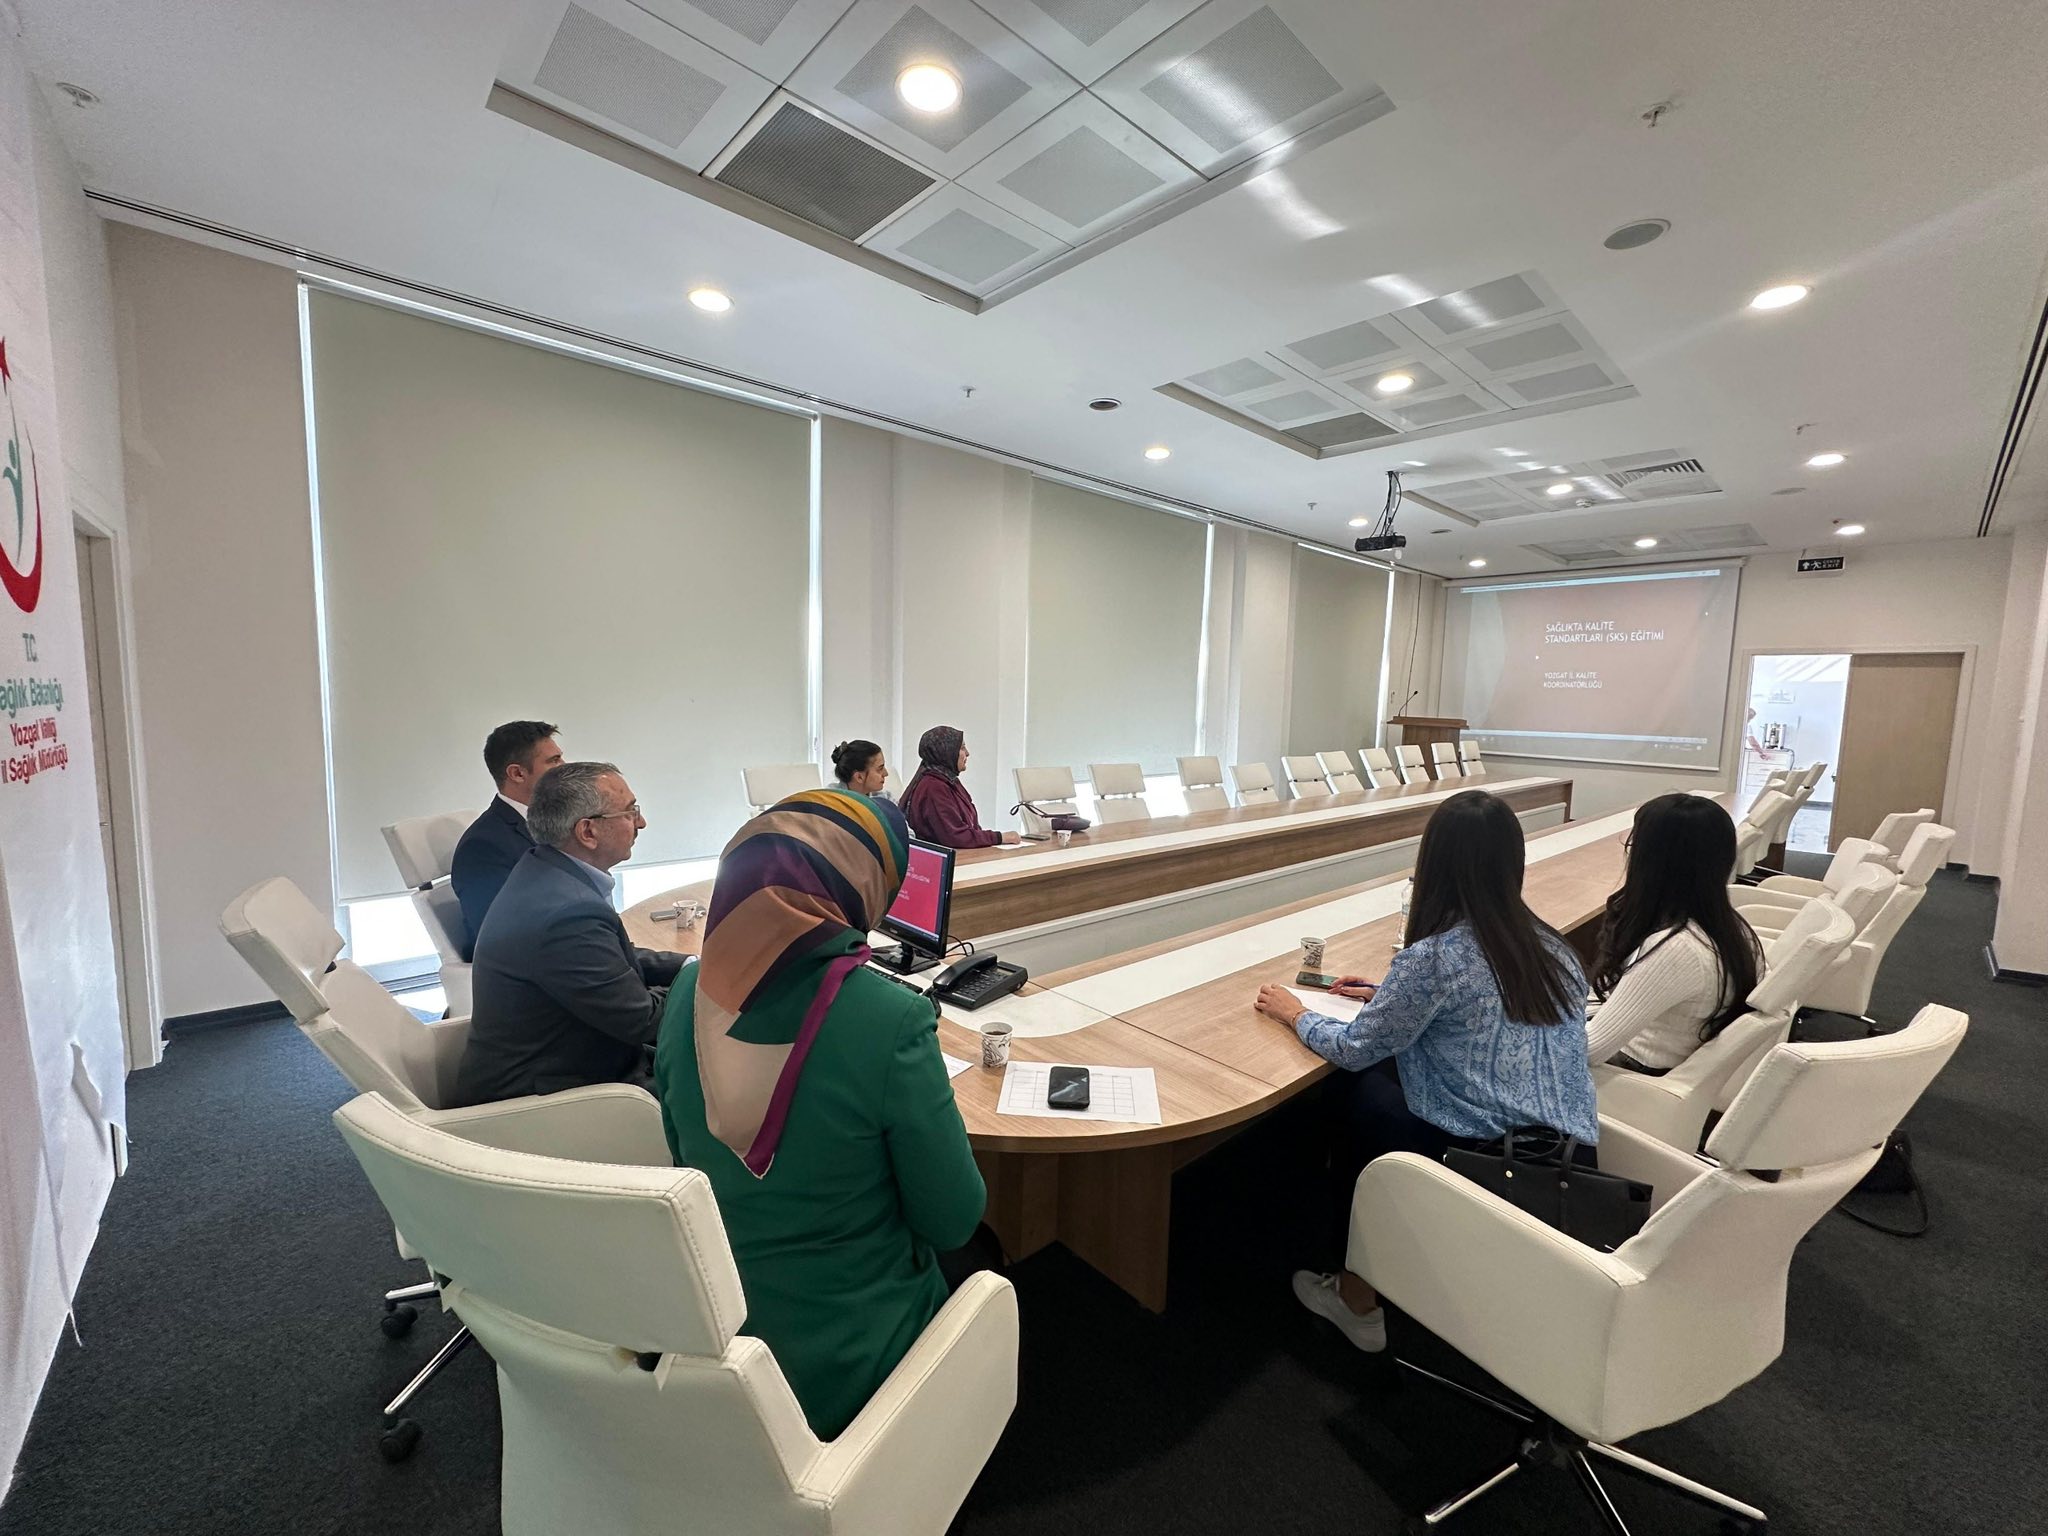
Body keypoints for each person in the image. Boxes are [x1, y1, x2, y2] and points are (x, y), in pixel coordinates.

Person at [655, 787, 986, 1440]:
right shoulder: (891, 1019)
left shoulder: (690, 986)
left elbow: (677, 1146)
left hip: (714, 1322)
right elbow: (952, 1221)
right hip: (849, 1356)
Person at [1252, 789, 1595, 1353]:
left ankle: (1356, 1296)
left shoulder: (1435, 957)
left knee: (1351, 1091)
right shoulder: (1549, 946)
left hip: (1483, 1162)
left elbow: (1354, 1048)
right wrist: (1391, 997)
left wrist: (1295, 1012)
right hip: (1566, 1157)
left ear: (1432, 865)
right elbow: (1487, 1012)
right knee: (1376, 1084)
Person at [453, 761, 687, 1106]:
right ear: (587, 831)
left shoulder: (545, 871)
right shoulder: (567, 912)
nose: (641, 822)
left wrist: (689, 964)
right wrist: (709, 984)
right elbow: (644, 1020)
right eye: (630, 812)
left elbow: (608, 959)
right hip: (555, 1098)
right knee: (742, 1082)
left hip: (580, 1058)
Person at [1584, 794, 1764, 1072]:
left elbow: (1589, 1049)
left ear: (1651, 861)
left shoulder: (1675, 949)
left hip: (1629, 1070)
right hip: (1662, 1044)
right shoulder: (1731, 925)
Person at [449, 720, 564, 961]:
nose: (564, 767)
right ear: (517, 773)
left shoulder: (554, 821)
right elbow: (501, 938)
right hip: (541, 969)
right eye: (553, 761)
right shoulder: (482, 847)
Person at [898, 724, 1019, 848]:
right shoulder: (933, 787)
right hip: (946, 858)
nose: (967, 753)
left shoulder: (948, 780)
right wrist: (1000, 837)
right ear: (946, 751)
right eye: (962, 748)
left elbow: (970, 827)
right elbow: (956, 836)